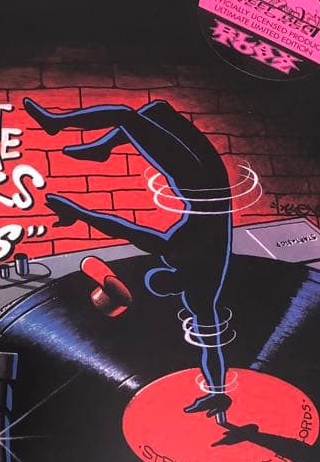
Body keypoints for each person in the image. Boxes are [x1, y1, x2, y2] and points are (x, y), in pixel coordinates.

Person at [23, 96, 235, 418]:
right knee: (131, 114)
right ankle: (61, 126)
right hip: (200, 182)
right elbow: (123, 228)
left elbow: (212, 347)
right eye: (165, 274)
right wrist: (78, 212)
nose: (164, 267)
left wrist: (219, 392)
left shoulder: (196, 289)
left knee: (152, 111)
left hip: (209, 184)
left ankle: (95, 145)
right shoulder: (180, 260)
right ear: (174, 278)